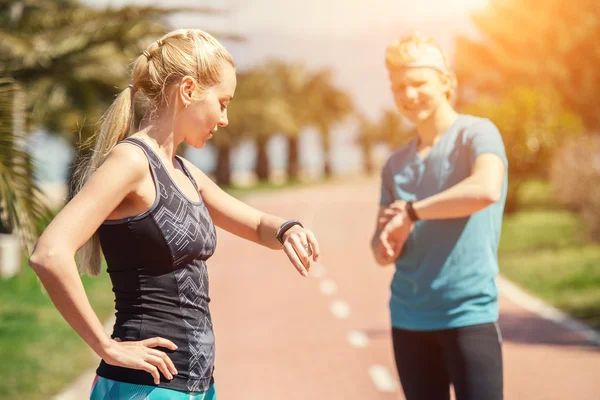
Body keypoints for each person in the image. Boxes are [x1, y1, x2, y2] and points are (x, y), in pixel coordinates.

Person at [29, 28, 320, 400]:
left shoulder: (183, 172)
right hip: (145, 388)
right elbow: (49, 253)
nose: (225, 118)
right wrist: (107, 346)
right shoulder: (131, 161)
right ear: (187, 91)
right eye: (223, 101)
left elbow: (258, 226)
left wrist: (288, 229)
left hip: (195, 386)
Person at [371, 33, 507, 400]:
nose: (408, 94)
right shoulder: (394, 163)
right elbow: (379, 243)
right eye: (399, 86)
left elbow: (486, 189)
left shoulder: (478, 134)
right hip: (408, 319)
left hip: (468, 314)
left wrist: (414, 212)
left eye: (418, 83)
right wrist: (384, 246)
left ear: (446, 82)